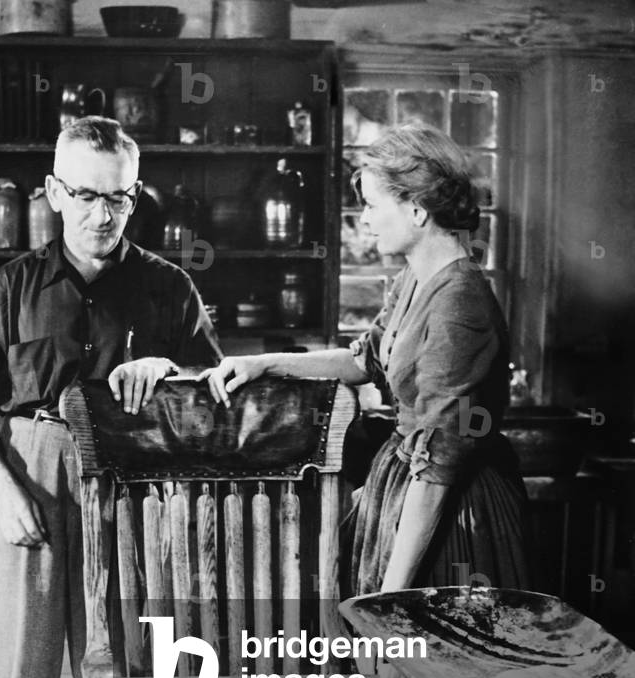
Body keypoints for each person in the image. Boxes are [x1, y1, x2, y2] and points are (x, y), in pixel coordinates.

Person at [0, 115, 222, 678]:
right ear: (54, 192)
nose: (103, 214)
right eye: (87, 195)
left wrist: (172, 373)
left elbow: (214, 392)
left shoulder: (168, 287)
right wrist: (3, 489)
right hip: (31, 477)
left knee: (131, 665)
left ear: (135, 195)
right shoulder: (12, 285)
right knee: (16, 674)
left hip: (131, 487)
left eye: (118, 198)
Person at [202, 124, 531, 596]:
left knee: (422, 651)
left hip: (452, 513)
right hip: (404, 486)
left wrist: (388, 600)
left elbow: (439, 468)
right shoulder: (414, 279)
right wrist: (263, 364)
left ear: (417, 209)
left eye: (375, 205)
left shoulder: (461, 301)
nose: (365, 219)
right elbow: (365, 360)